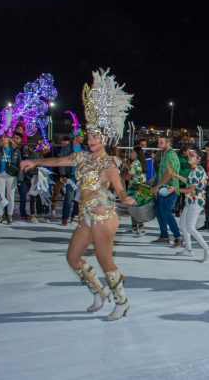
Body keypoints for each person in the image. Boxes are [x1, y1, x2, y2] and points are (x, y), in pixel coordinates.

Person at [20, 68, 136, 321]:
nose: (91, 139)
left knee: (105, 261)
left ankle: (122, 301)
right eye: (89, 135)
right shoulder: (81, 157)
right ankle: (98, 291)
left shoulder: (109, 164)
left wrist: (125, 197)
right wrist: (36, 162)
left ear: (104, 138)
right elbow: (60, 160)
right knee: (73, 257)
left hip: (103, 217)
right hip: (85, 216)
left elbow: (118, 187)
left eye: (95, 136)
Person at [172, 148, 209, 261]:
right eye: (189, 155)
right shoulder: (196, 169)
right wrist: (178, 177)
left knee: (190, 227)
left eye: (192, 155)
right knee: (183, 224)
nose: (189, 157)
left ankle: (207, 249)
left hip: (196, 201)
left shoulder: (197, 171)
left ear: (199, 158)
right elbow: (190, 182)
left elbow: (191, 190)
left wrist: (174, 189)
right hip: (191, 201)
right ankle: (188, 249)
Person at [148, 135, 183, 245]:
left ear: (168, 143)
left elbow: (168, 174)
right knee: (159, 212)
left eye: (161, 143)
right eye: (158, 142)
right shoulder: (165, 155)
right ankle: (164, 236)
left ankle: (178, 237)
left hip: (170, 189)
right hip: (164, 189)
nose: (159, 145)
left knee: (166, 212)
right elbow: (161, 173)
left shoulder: (170, 155)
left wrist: (157, 187)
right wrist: (150, 183)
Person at [0, 134, 21, 225]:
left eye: (5, 137)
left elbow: (20, 164)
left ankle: (9, 214)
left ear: (9, 139)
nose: (3, 139)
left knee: (11, 196)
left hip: (11, 175)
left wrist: (20, 178)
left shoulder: (15, 150)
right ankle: (0, 215)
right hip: (0, 175)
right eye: (1, 138)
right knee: (0, 196)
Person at [58, 133, 84, 225]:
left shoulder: (83, 147)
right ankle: (65, 217)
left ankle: (74, 215)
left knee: (78, 198)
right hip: (70, 176)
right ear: (75, 137)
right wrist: (63, 174)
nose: (82, 138)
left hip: (81, 176)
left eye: (83, 136)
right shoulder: (67, 148)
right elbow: (61, 161)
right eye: (81, 136)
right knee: (69, 197)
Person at [124, 146, 148, 236]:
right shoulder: (142, 162)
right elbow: (134, 171)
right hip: (143, 187)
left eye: (133, 152)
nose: (131, 154)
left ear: (137, 154)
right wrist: (125, 165)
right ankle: (138, 227)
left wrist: (118, 176)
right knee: (139, 207)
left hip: (135, 187)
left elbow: (128, 177)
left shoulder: (134, 163)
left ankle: (138, 227)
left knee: (133, 207)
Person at [50, 136, 71, 218]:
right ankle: (53, 209)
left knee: (69, 194)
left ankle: (67, 212)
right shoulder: (56, 150)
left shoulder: (71, 150)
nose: (64, 143)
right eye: (63, 141)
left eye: (66, 142)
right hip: (58, 174)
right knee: (56, 192)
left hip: (68, 174)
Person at [175, 144, 191, 217]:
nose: (189, 152)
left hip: (185, 180)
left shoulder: (186, 158)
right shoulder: (179, 158)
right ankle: (177, 211)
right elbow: (186, 167)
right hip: (181, 180)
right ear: (184, 152)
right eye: (188, 151)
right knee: (179, 197)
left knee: (184, 197)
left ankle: (182, 211)